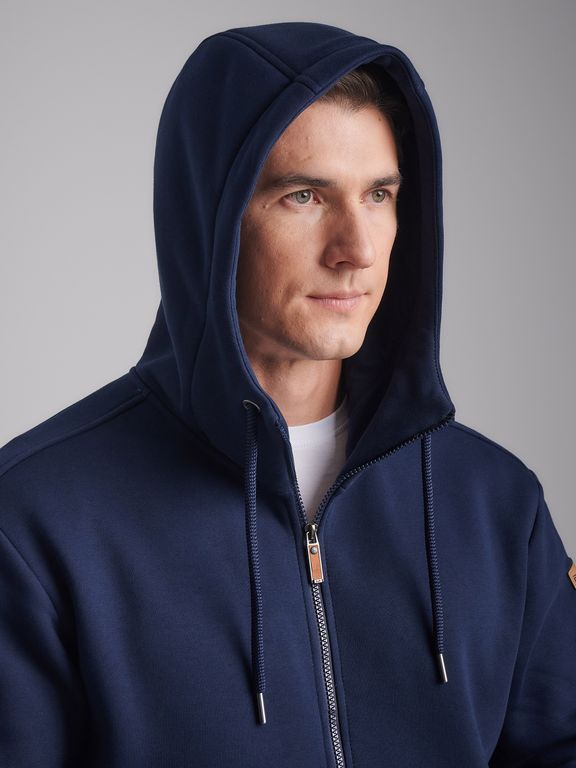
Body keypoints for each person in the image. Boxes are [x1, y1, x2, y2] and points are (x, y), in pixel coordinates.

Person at [0, 20, 574, 767]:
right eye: (304, 196)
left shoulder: (496, 505)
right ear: (210, 222)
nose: (356, 250)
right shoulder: (38, 522)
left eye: (379, 194)